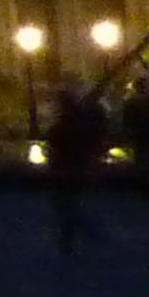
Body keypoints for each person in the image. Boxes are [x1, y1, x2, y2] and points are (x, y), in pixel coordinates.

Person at [46, 84, 111, 254]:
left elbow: (54, 148)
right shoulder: (80, 124)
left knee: (65, 205)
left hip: (65, 170)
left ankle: (70, 237)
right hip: (76, 168)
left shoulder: (60, 127)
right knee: (73, 204)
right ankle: (79, 234)